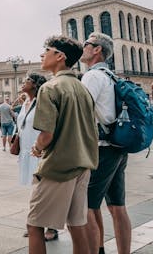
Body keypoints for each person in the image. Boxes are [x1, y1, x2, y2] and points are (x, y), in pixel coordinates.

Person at [27, 35, 98, 254]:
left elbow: (47, 134)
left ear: (60, 56)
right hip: (83, 165)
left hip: (59, 167)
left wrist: (38, 148)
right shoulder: (81, 88)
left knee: (35, 225)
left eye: (46, 50)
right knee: (77, 225)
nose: (42, 54)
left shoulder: (50, 88)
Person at [80, 32, 131, 254]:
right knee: (117, 207)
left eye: (86, 44)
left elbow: (81, 112)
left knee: (86, 207)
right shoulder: (110, 76)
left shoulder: (92, 76)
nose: (83, 48)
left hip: (101, 148)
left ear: (97, 49)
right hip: (118, 146)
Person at [16, 73, 53, 239]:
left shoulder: (41, 102)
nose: (24, 82)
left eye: (28, 80)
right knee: (36, 190)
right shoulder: (25, 102)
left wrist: (41, 146)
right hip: (27, 151)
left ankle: (50, 227)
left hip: (39, 150)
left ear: (36, 85)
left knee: (43, 190)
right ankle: (35, 224)